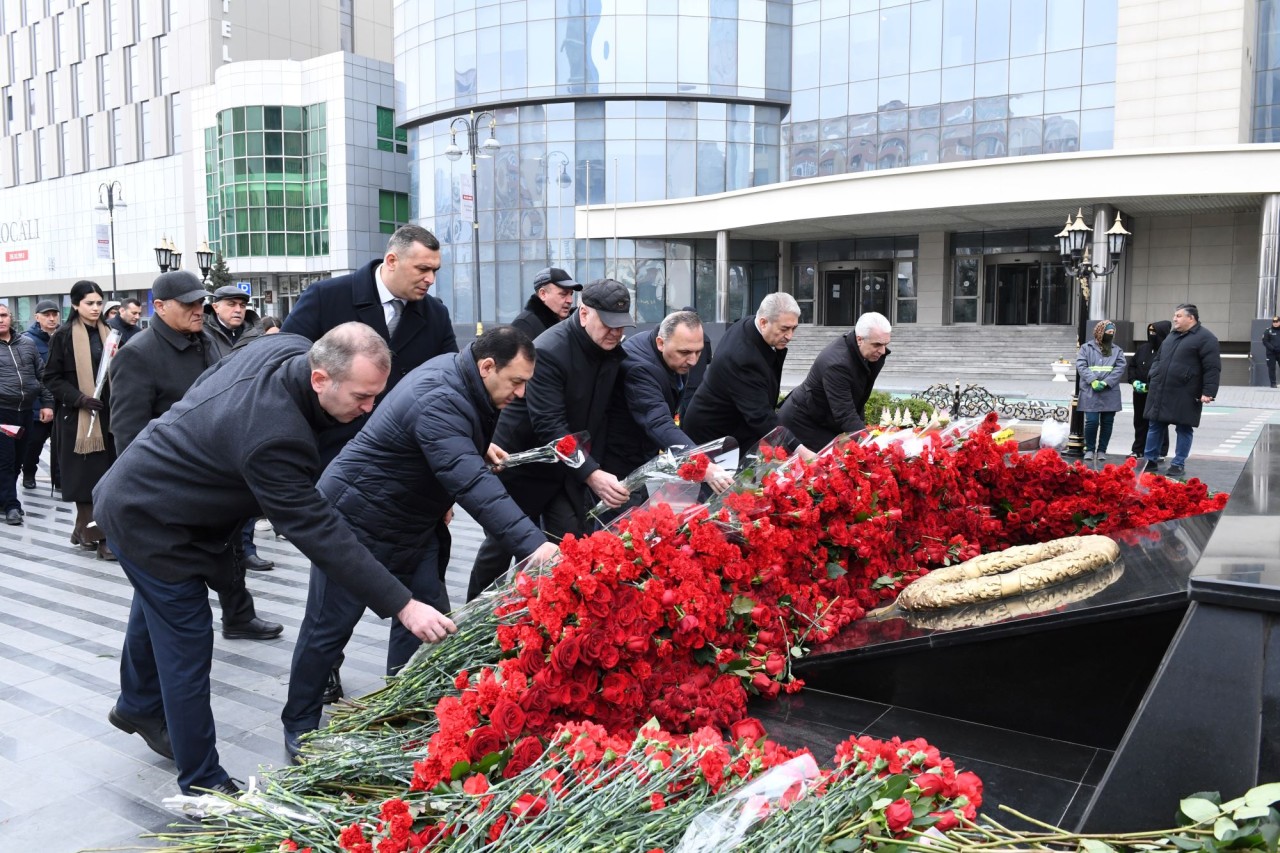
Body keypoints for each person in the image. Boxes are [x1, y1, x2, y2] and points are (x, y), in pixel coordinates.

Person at [94, 324, 456, 795]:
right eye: (363, 397)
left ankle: (138, 703)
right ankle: (202, 782)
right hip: (148, 519)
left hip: (167, 495)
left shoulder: (287, 348)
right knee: (186, 643)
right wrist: (403, 604)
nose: (370, 408)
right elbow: (320, 532)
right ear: (321, 378)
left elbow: (214, 378)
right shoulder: (274, 438)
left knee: (156, 605)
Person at [282, 327, 558, 757]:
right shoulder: (440, 396)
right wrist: (534, 545)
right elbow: (469, 481)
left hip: (413, 522)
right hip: (358, 519)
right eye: (516, 382)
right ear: (487, 367)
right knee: (328, 628)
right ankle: (298, 722)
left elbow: (447, 443)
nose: (521, 394)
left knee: (428, 620)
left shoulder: (462, 379)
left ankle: (403, 705)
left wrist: (476, 445)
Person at [280, 224, 457, 702]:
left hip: (410, 481)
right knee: (335, 600)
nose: (430, 279)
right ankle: (321, 680)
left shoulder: (434, 316)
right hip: (340, 475)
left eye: (436, 270)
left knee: (422, 593)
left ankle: (401, 692)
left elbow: (446, 390)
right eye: (423, 268)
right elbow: (287, 370)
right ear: (392, 261)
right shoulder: (327, 298)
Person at [108, 270, 282, 642]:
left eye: (199, 301)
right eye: (187, 304)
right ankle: (138, 688)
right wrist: (146, 494)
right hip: (169, 486)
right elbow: (128, 432)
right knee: (166, 579)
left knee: (231, 547)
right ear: (159, 307)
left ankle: (238, 615)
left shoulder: (209, 339)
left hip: (218, 472)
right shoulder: (138, 355)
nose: (197, 309)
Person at [467, 279, 635, 601]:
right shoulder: (549, 350)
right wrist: (592, 473)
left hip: (566, 465)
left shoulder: (611, 350)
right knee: (503, 546)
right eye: (608, 325)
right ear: (584, 314)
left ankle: (544, 614)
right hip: (521, 462)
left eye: (621, 326)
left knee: (565, 544)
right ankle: (474, 611)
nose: (615, 333)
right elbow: (550, 426)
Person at [602, 310, 732, 492]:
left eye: (698, 352)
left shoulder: (662, 350)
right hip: (619, 462)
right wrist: (701, 463)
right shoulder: (640, 368)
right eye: (685, 352)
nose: (693, 361)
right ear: (661, 343)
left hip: (640, 451)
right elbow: (657, 420)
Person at [42, 280, 117, 560]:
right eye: (90, 303)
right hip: (77, 420)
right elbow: (51, 378)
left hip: (108, 417)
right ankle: (103, 540)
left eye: (99, 302)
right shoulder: (62, 336)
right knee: (87, 483)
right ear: (75, 304)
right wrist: (80, 399)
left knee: (107, 480)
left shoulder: (109, 333)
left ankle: (82, 529)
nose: (96, 308)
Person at [683, 292, 800, 453]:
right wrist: (799, 450)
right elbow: (761, 416)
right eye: (784, 329)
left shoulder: (752, 324)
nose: (789, 336)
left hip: (735, 429)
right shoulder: (743, 358)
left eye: (794, 328)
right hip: (712, 435)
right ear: (764, 322)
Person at [778, 311, 891, 451]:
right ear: (860, 339)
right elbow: (845, 413)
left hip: (823, 417)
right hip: (802, 422)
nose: (882, 350)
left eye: (885, 344)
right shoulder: (837, 364)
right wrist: (872, 446)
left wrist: (863, 432)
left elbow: (859, 397)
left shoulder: (871, 353)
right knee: (826, 464)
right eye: (877, 345)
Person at [1143, 304, 1221, 480]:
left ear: (1190, 318)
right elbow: (1159, 358)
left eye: (1178, 316)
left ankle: (1178, 464)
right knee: (1155, 425)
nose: (1174, 319)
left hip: (1186, 391)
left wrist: (1208, 391)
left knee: (1184, 428)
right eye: (1175, 315)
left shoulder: (1206, 338)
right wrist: (1153, 375)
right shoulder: (1171, 336)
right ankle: (1150, 460)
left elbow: (1212, 368)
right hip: (1161, 389)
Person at [0, 303, 54, 525]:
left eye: (3, 315)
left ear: (10, 317)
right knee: (6, 459)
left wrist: (47, 403)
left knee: (19, 459)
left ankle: (4, 498)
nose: (0, 319)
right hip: (3, 411)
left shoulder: (27, 343)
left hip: (26, 410)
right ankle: (12, 505)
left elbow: (42, 376)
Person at [21, 300, 62, 490]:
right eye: (47, 315)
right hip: (38, 405)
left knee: (61, 445)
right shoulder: (27, 341)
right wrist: (41, 404)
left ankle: (60, 479)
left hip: (61, 402)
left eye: (54, 314)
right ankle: (29, 472)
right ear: (37, 317)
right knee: (34, 443)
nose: (52, 318)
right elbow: (27, 377)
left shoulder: (63, 336)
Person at [1075, 319, 1126, 464]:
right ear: (1100, 332)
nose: (1110, 335)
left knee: (1107, 422)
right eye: (1108, 332)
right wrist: (1093, 380)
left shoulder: (1117, 350)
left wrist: (1106, 382)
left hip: (1109, 391)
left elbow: (1120, 368)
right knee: (1091, 422)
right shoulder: (1086, 348)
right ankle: (1090, 449)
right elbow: (1081, 365)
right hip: (1091, 390)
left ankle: (1102, 450)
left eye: (1112, 332)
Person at [1126, 321, 1170, 459]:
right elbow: (1132, 366)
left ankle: (1160, 450)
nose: (1151, 335)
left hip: (1156, 393)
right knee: (1139, 421)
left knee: (1158, 422)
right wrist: (1134, 382)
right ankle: (1138, 448)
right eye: (1149, 332)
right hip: (1139, 393)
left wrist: (1149, 386)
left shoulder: (1168, 350)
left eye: (1154, 332)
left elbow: (1165, 372)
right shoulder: (1143, 348)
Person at [511, 267, 581, 340]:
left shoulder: (572, 323)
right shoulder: (524, 325)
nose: (570, 300)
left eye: (571, 294)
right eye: (563, 294)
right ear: (543, 294)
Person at [205, 286, 264, 357]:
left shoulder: (256, 336)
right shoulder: (202, 335)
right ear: (216, 307)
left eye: (242, 305)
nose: (238, 310)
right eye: (231, 304)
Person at [1262, 315, 1280, 388]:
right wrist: (1273, 348)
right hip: (1271, 353)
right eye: (1274, 322)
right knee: (1271, 368)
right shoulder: (1268, 331)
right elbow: (1265, 341)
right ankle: (1273, 383)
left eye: (1277, 321)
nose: (1275, 323)